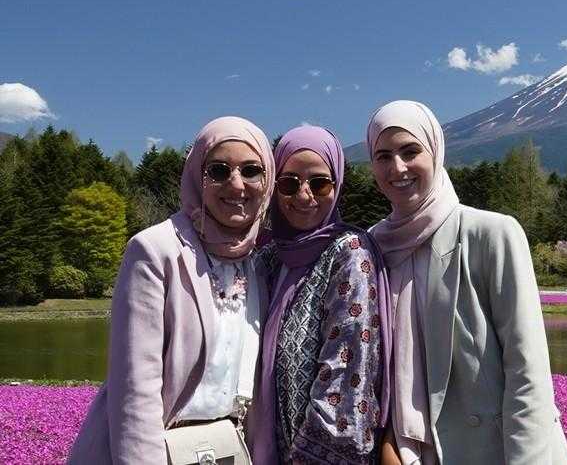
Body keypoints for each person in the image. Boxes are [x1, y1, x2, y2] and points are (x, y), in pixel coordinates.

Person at [366, 100, 567, 465]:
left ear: (436, 152)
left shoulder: (490, 234)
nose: (397, 167)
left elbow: (527, 370)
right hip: (410, 454)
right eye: (383, 156)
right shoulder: (371, 248)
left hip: (492, 452)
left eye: (410, 151)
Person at [68, 117, 275, 464]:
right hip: (158, 449)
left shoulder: (259, 260)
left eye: (252, 170)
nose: (237, 184)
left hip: (225, 449)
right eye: (219, 171)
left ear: (267, 180)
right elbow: (136, 388)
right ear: (197, 176)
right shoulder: (155, 251)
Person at [249, 126, 389, 464]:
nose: (303, 195)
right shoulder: (270, 259)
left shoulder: (348, 253)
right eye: (289, 183)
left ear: (337, 187)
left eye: (319, 183)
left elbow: (346, 375)